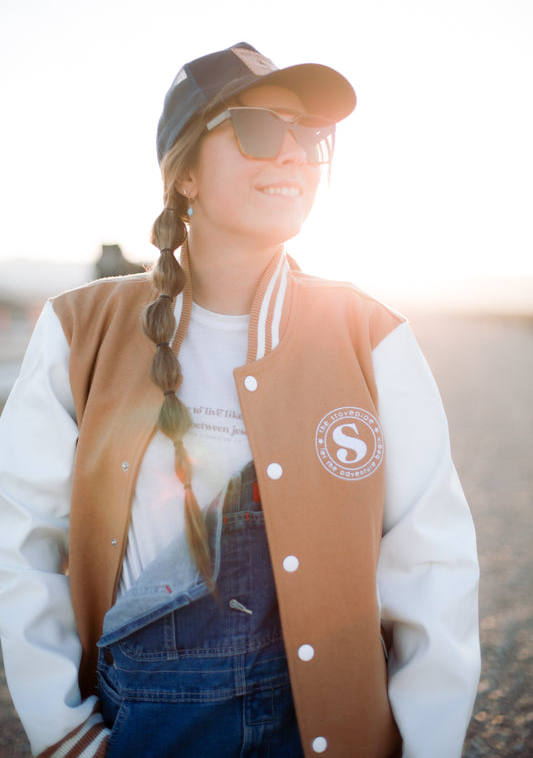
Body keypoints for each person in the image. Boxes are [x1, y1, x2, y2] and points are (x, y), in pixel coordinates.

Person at [0, 42, 480, 758]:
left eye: (312, 138)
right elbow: (19, 542)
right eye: (258, 128)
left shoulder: (372, 337)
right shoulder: (78, 330)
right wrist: (66, 732)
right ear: (185, 172)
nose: (291, 155)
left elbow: (429, 567)